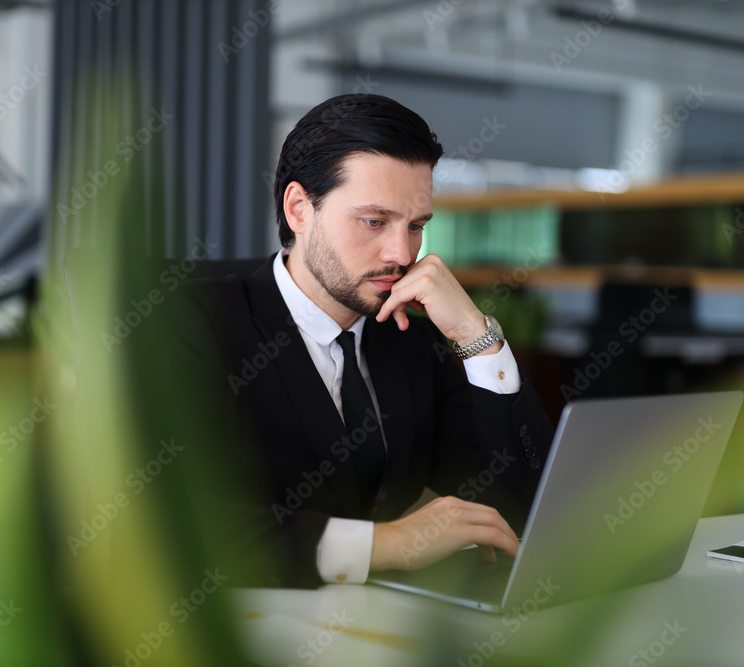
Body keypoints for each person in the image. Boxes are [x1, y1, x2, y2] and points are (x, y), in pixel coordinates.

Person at [168, 94, 554, 587]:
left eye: (416, 226)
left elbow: (523, 502)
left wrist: (476, 337)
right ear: (299, 209)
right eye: (374, 221)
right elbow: (158, 522)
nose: (402, 253)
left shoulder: (409, 335)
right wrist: (387, 544)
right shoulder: (189, 324)